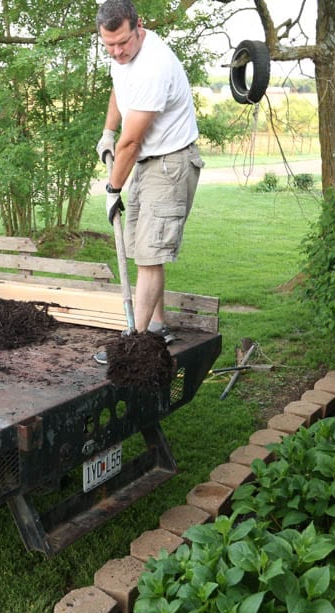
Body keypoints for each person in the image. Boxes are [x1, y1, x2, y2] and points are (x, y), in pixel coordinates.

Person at [93, 0, 203, 364]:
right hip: (146, 161)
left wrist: (112, 189)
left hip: (170, 165)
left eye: (122, 43)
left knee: (150, 256)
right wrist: (107, 131)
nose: (117, 52)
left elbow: (131, 142)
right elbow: (119, 90)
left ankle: (134, 344)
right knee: (143, 250)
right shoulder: (122, 55)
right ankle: (156, 328)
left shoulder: (154, 67)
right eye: (108, 45)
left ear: (139, 26)